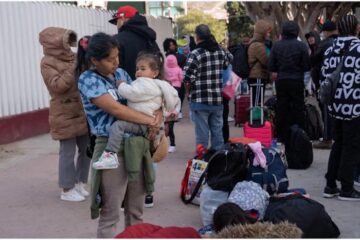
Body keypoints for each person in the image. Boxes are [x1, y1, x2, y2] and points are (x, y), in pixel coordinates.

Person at [77, 32, 162, 237]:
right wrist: (150, 121)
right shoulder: (87, 79)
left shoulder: (122, 74)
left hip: (137, 145)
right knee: (110, 213)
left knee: (136, 211)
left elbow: (144, 98)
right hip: (111, 148)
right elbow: (116, 110)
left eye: (117, 56)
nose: (116, 62)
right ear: (94, 60)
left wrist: (158, 112)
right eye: (109, 59)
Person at [39, 27, 90, 202]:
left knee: (86, 148)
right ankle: (67, 189)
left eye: (70, 41)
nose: (69, 45)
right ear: (55, 43)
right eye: (65, 41)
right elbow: (57, 86)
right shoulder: (47, 62)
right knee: (67, 151)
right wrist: (74, 68)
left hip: (81, 108)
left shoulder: (74, 57)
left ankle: (80, 182)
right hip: (63, 111)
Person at [322, 15, 360, 201]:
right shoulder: (359, 49)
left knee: (338, 144)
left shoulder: (331, 49)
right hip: (355, 106)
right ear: (356, 28)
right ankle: (346, 188)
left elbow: (324, 76)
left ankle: (330, 185)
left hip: (334, 106)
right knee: (351, 146)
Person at [183, 24, 232, 151]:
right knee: (217, 132)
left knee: (202, 134)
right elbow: (229, 61)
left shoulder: (195, 54)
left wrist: (190, 89)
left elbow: (187, 77)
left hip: (200, 100)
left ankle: (202, 161)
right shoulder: (220, 51)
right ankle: (218, 161)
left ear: (197, 37)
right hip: (217, 100)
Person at [268, 21, 311, 144]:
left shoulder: (277, 46)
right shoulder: (302, 46)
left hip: (281, 81)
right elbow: (307, 66)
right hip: (297, 80)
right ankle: (300, 134)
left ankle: (282, 135)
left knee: (282, 107)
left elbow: (271, 66)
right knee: (298, 107)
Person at [109, 5, 160, 80]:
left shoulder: (117, 40)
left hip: (125, 88)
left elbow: (113, 68)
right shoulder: (150, 38)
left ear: (122, 19)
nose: (117, 25)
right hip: (151, 87)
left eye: (117, 21)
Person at [311, 21, 338, 149]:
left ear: (326, 32)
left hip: (326, 82)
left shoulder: (325, 44)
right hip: (342, 82)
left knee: (326, 111)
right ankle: (338, 137)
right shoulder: (343, 43)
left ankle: (327, 138)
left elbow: (313, 61)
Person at [247, 20, 272, 106]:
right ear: (262, 32)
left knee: (257, 100)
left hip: (257, 76)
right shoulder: (258, 45)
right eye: (267, 33)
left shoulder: (256, 43)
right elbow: (266, 61)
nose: (269, 35)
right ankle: (256, 118)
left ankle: (256, 118)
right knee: (257, 102)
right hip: (257, 77)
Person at [163, 38, 187, 118]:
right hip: (171, 80)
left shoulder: (181, 56)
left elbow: (184, 67)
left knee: (180, 95)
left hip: (178, 79)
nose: (172, 46)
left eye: (173, 44)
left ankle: (178, 110)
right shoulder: (165, 57)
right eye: (170, 45)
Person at [164, 54, 183, 152]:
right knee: (164, 130)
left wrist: (175, 112)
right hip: (165, 114)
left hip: (171, 114)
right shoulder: (178, 69)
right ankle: (165, 145)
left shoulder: (165, 70)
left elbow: (178, 103)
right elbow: (181, 77)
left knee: (170, 129)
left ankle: (172, 144)